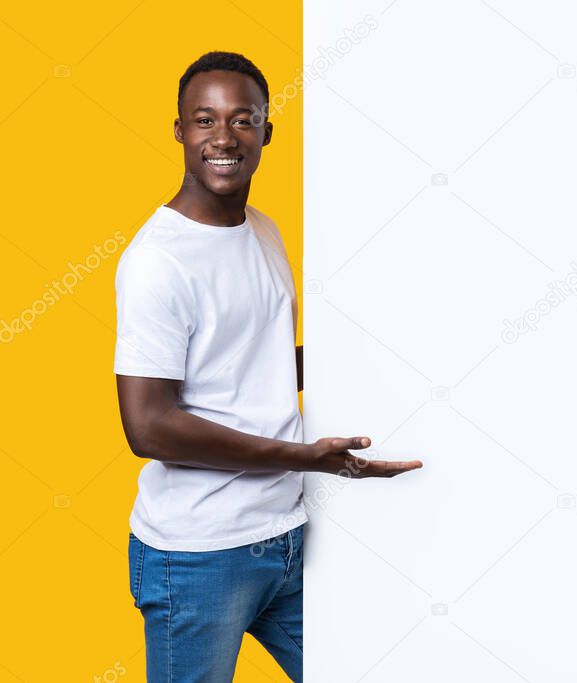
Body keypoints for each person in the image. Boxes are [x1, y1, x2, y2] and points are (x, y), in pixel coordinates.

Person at [113, 51, 423, 682]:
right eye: (204, 120)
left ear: (265, 132)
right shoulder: (157, 263)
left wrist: (388, 359)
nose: (223, 138)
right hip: (198, 556)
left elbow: (256, 363)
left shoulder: (263, 230)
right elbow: (148, 427)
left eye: (242, 120)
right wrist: (307, 457)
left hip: (285, 535)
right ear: (179, 130)